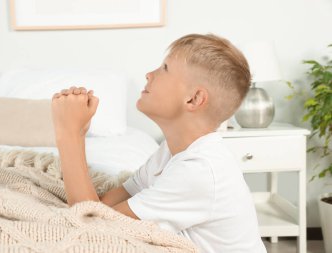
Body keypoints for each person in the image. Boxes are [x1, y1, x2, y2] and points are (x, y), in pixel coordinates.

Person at [51, 33, 267, 253]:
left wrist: (69, 134)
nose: (149, 74)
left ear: (193, 99)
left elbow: (93, 224)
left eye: (164, 68)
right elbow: (102, 208)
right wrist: (76, 131)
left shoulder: (199, 170)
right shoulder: (170, 151)